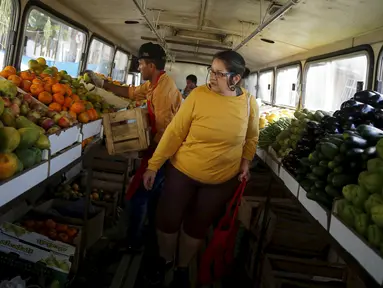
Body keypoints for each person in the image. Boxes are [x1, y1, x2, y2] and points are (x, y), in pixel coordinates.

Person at [143, 50, 260, 287]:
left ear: (235, 79)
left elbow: (251, 138)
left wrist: (245, 163)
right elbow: (175, 133)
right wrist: (153, 165)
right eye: (211, 70)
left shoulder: (248, 103)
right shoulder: (198, 95)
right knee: (168, 219)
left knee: (197, 226)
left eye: (218, 73)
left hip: (220, 181)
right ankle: (165, 260)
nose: (212, 77)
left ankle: (182, 267)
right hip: (183, 172)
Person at [85, 42, 182, 256]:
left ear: (151, 65)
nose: (138, 68)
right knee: (153, 196)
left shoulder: (164, 91)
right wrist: (103, 84)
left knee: (138, 195)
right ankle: (150, 237)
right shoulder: (155, 84)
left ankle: (133, 242)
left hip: (164, 153)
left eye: (140, 64)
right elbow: (130, 92)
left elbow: (167, 132)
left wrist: (148, 158)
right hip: (157, 150)